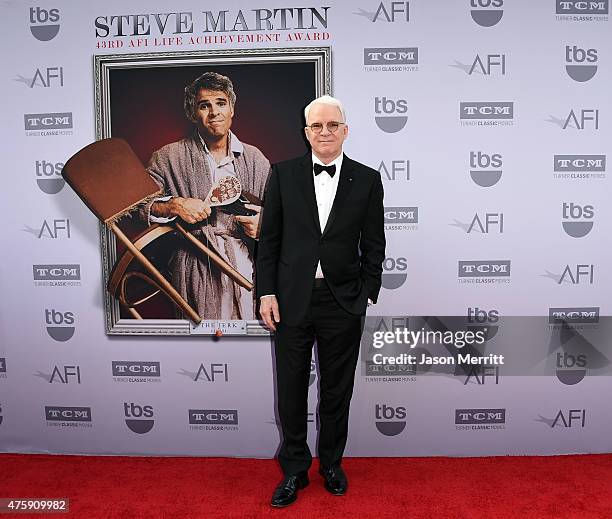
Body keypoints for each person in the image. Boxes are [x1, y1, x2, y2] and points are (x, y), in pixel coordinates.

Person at [256, 95, 386, 507]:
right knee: (291, 391)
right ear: (306, 132)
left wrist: (365, 292)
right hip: (291, 300)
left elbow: (375, 244)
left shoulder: (367, 180)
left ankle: (331, 463)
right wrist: (266, 292)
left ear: (345, 130)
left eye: (333, 125)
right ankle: (295, 471)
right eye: (317, 126)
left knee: (336, 391)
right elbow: (269, 241)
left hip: (343, 301)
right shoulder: (283, 174)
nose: (325, 132)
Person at [143, 72, 270, 320]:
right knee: (201, 343)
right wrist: (174, 205)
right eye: (204, 105)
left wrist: (265, 224)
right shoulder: (168, 156)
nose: (214, 112)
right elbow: (140, 206)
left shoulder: (255, 158)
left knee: (247, 340)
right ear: (193, 113)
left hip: (246, 265)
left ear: (232, 109)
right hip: (194, 264)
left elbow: (281, 212)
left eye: (221, 103)